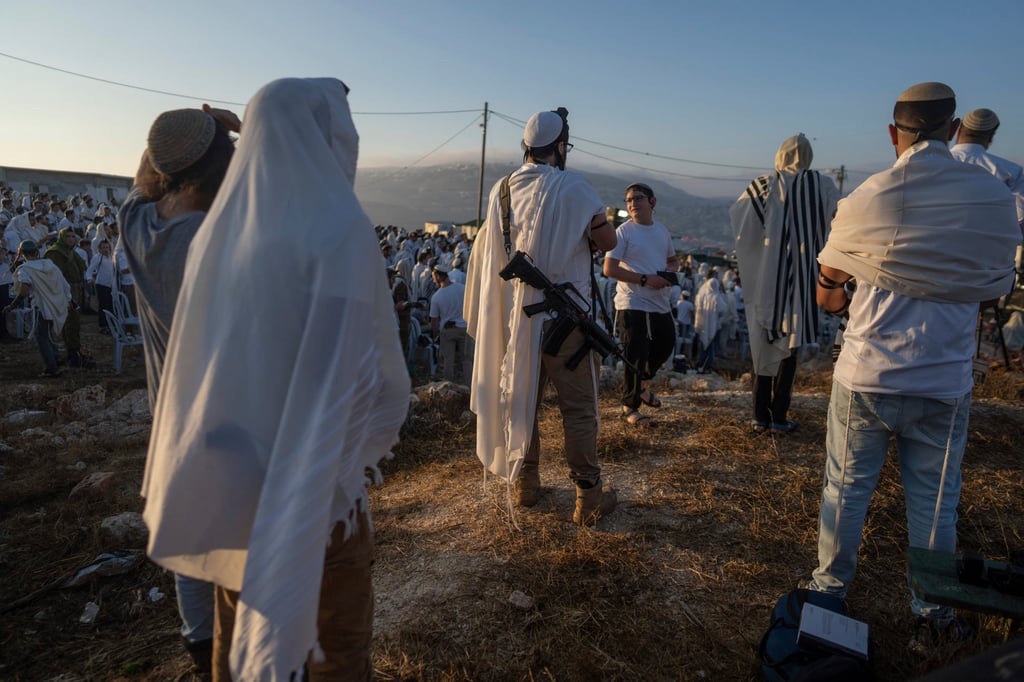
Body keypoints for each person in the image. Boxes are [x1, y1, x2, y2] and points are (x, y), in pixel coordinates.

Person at [142, 78, 409, 682]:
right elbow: (368, 381)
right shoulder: (336, 230)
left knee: (240, 628)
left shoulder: (220, 231)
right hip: (317, 486)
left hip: (234, 474)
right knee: (333, 646)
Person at [807, 82, 1019, 649]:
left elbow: (828, 295)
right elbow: (999, 282)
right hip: (945, 380)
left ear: (893, 133)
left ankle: (827, 595)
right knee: (935, 503)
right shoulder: (993, 197)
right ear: (954, 133)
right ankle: (932, 614)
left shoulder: (868, 198)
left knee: (845, 491)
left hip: (867, 374)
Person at [118, 103, 241, 674]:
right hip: (227, 424)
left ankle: (200, 652)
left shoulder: (137, 225)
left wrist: (184, 139)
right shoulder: (220, 243)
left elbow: (141, 182)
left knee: (189, 548)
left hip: (169, 421)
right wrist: (233, 128)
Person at [465, 107, 618, 525]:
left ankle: (525, 485)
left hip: (520, 323)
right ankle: (588, 497)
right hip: (567, 325)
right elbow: (607, 242)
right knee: (579, 410)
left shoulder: (502, 190)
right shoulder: (575, 187)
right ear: (561, 147)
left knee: (521, 405)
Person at [731, 134, 839, 434]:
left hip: (766, 278)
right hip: (804, 278)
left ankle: (758, 416)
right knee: (791, 349)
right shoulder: (823, 185)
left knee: (763, 344)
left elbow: (740, 220)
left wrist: (761, 249)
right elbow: (839, 219)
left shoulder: (762, 185)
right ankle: (779, 416)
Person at [603, 182, 677, 426]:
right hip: (632, 300)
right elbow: (609, 268)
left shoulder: (662, 231)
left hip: (659, 301)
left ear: (652, 202)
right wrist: (645, 279)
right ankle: (629, 406)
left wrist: (668, 275)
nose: (632, 203)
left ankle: (642, 384)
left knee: (666, 343)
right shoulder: (624, 231)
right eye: (629, 200)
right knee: (636, 352)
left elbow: (672, 260)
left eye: (638, 198)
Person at [950, 108, 1024, 238]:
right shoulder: (1010, 171)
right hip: (990, 250)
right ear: (990, 137)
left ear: (958, 132)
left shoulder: (930, 162)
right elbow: (1020, 217)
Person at [3, 240, 71, 376]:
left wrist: (12, 306)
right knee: (47, 334)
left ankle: (51, 368)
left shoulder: (26, 269)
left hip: (41, 307)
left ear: (22, 254)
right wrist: (68, 300)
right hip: (56, 304)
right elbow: (63, 284)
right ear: (36, 251)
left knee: (42, 337)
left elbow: (24, 291)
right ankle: (56, 358)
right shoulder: (49, 264)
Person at [44, 227, 93, 367]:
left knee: (75, 322)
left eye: (73, 236)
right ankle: (73, 354)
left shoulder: (71, 252)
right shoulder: (55, 252)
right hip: (65, 291)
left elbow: (81, 268)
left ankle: (75, 351)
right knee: (69, 322)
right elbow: (55, 276)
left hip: (75, 288)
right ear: (62, 237)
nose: (71, 239)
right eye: (68, 236)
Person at [429, 263, 471, 383]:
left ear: (437, 276)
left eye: (433, 277)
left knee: (448, 362)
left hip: (448, 332)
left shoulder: (436, 297)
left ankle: (449, 389)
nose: (433, 280)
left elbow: (434, 321)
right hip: (464, 329)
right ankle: (470, 390)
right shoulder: (462, 288)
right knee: (467, 361)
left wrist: (435, 335)